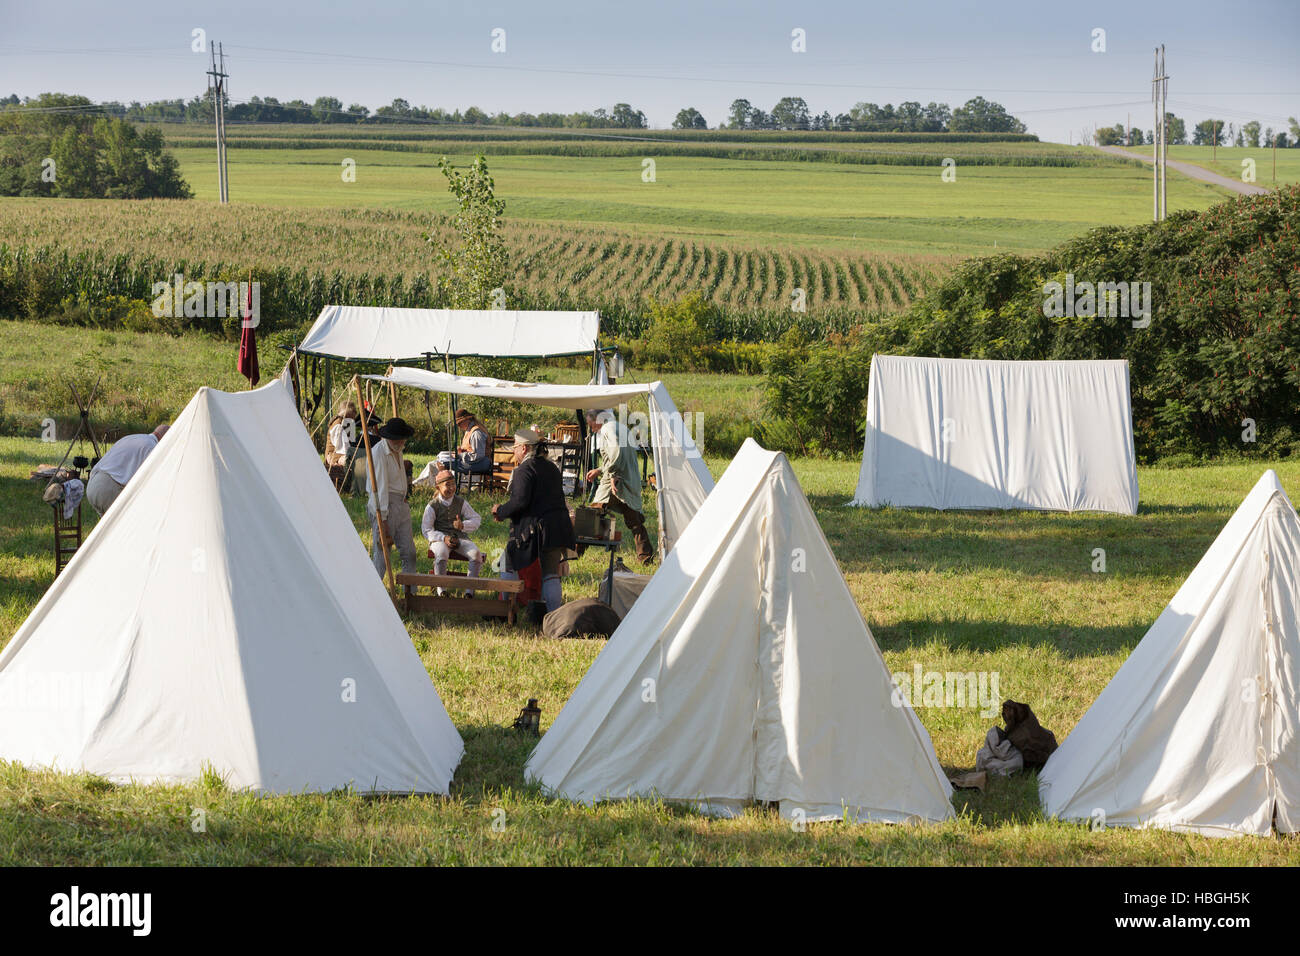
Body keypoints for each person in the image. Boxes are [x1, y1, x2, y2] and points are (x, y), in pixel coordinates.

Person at [492, 428, 575, 613]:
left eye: (515, 447)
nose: (513, 451)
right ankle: (554, 617)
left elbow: (519, 502)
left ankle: (503, 610)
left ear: (523, 448)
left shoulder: (524, 469)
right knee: (550, 573)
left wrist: (500, 510)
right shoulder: (552, 467)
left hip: (537, 528)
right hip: (557, 527)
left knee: (507, 562)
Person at [585, 408, 653, 565]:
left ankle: (577, 550)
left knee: (593, 514)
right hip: (625, 479)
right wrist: (600, 470)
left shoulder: (609, 429)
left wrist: (614, 475)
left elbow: (617, 452)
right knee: (633, 520)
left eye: (591, 424)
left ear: (598, 420)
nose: (591, 428)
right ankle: (645, 556)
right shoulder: (619, 427)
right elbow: (614, 455)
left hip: (616, 480)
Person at [365, 416, 417, 578]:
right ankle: (373, 594)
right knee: (382, 555)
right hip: (385, 506)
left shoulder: (397, 450)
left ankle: (410, 593)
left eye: (402, 439)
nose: (401, 443)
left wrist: (403, 496)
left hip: (400, 504)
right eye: (398, 439)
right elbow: (379, 489)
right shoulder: (378, 454)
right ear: (390, 438)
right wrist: (383, 519)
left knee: (409, 553)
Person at [85, 424, 170, 515]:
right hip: (109, 489)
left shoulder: (133, 438)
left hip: (93, 484)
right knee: (126, 524)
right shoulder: (152, 447)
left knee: (110, 527)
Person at [422, 467, 484, 577]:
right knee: (441, 555)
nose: (451, 488)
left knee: (476, 555)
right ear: (438, 487)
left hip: (459, 538)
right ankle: (441, 590)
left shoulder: (461, 502)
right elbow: (426, 530)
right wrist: (443, 538)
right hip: (439, 540)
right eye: (447, 485)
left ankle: (470, 590)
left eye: (453, 484)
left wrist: (463, 525)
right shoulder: (432, 506)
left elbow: (476, 519)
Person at [451, 408, 492, 480]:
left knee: (446, 463)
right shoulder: (469, 431)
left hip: (481, 463)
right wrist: (462, 450)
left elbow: (478, 455)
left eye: (459, 423)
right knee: (443, 457)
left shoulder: (476, 433)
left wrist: (459, 455)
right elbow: (471, 449)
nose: (458, 426)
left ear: (467, 420)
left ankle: (447, 485)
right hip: (475, 461)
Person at [324, 400, 360, 469]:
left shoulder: (347, 423)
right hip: (333, 458)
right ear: (347, 414)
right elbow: (344, 449)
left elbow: (351, 443)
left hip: (340, 455)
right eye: (352, 417)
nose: (353, 419)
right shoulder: (338, 425)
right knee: (352, 461)